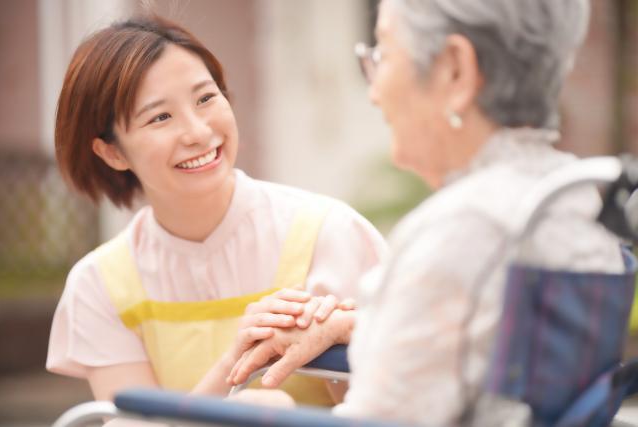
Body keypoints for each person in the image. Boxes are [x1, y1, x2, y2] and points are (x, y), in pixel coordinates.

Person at [224, 0, 627, 424]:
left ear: (455, 70)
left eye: (383, 54)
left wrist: (272, 414)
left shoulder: (462, 231)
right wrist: (354, 326)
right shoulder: (574, 200)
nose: (375, 90)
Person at [46, 14, 386, 408]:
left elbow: (385, 404)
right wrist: (234, 364)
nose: (199, 132)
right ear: (113, 151)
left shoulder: (329, 234)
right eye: (160, 117)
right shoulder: (100, 283)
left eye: (206, 98)